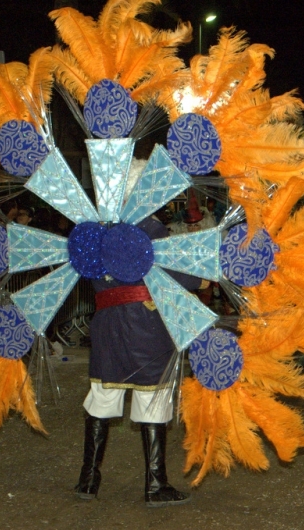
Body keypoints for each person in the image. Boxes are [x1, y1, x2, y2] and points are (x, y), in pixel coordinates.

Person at [75, 161, 205, 508]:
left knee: (102, 397)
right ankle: (155, 484)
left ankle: (89, 479)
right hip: (146, 326)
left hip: (107, 325)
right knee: (151, 401)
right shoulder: (152, 230)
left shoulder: (96, 230)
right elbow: (183, 278)